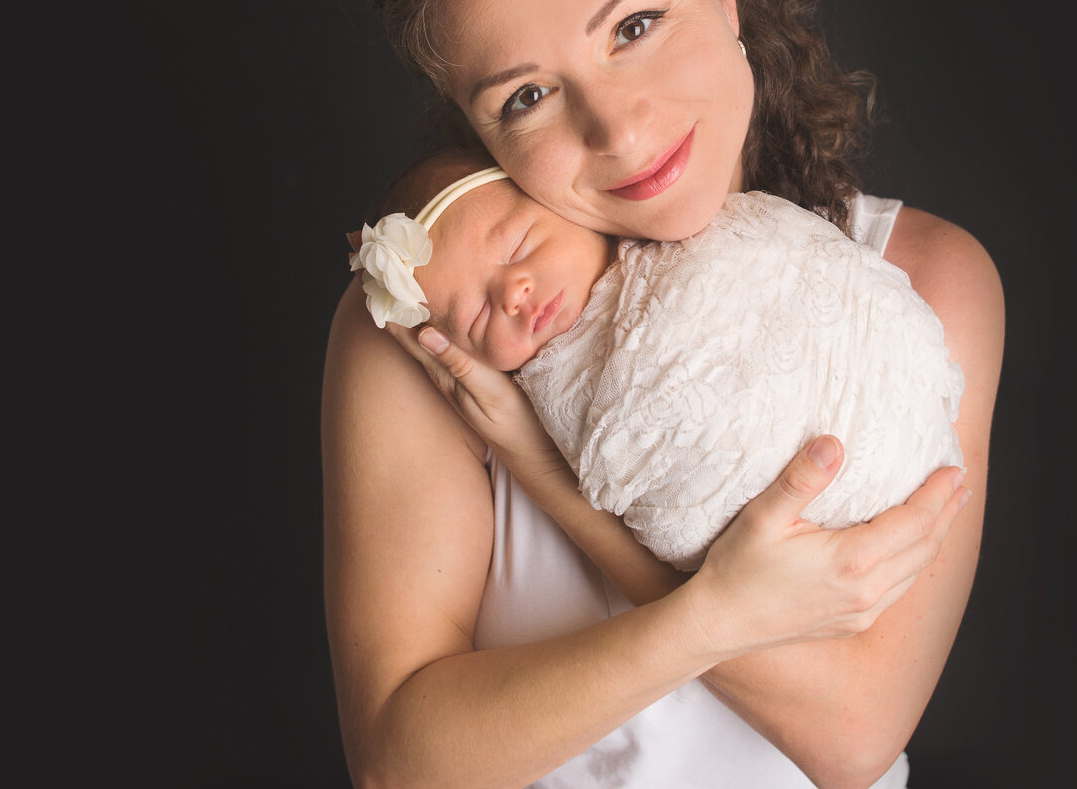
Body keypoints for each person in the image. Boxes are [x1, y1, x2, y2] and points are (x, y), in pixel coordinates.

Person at [323, 0, 1004, 789]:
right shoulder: (443, 328)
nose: (620, 129)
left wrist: (551, 475)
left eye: (635, 24)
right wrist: (714, 610)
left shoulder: (921, 277)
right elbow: (401, 764)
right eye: (527, 95)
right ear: (480, 133)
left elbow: (853, 732)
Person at [348, 148, 965, 572]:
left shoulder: (707, 243)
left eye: (519, 245)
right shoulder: (509, 389)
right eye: (478, 319)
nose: (512, 294)